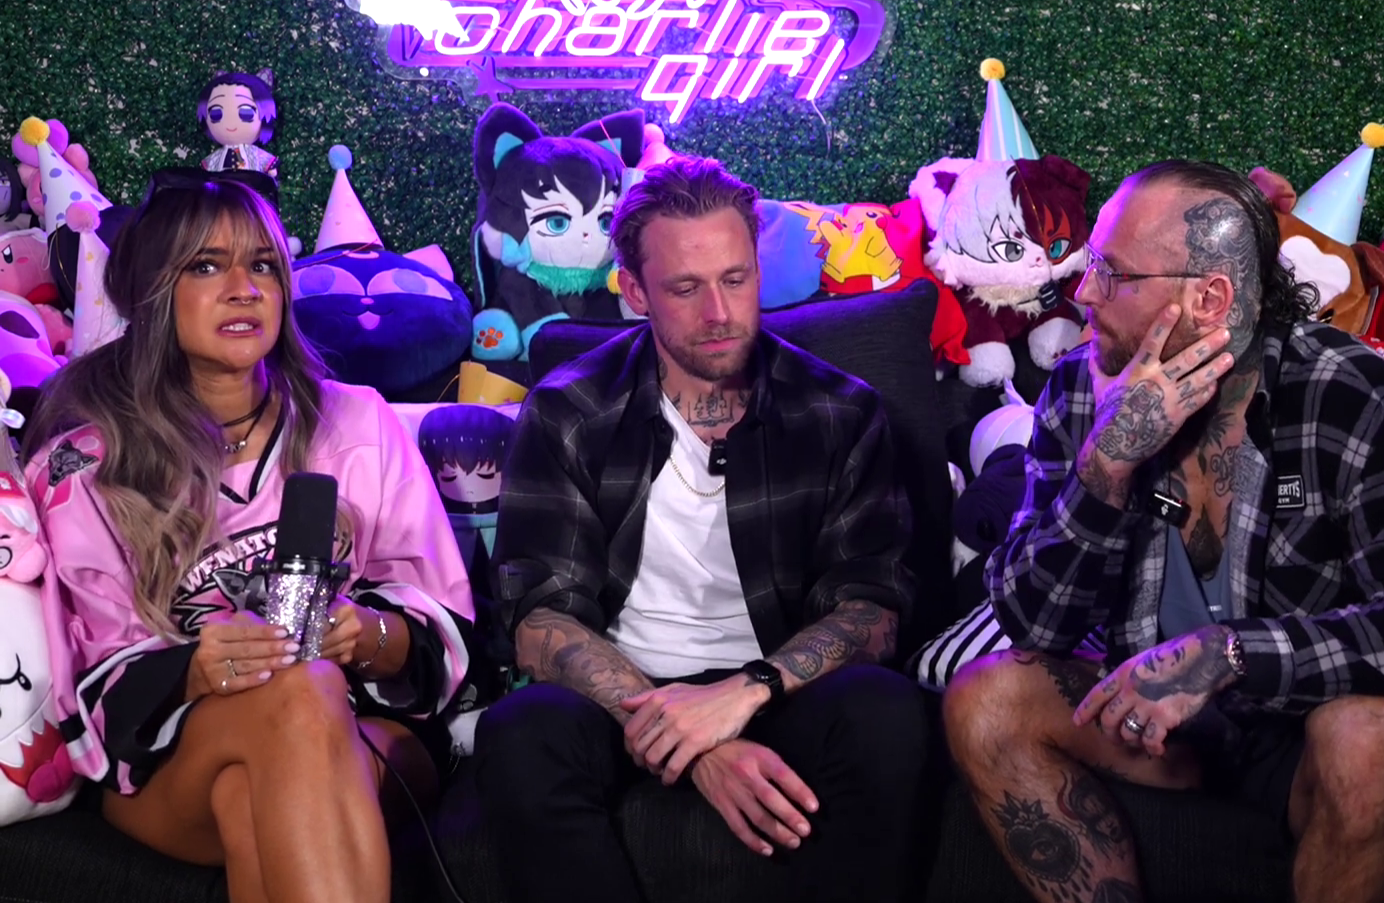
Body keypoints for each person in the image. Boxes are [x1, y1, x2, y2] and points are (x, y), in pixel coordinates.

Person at [943, 160, 1384, 903]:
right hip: (1152, 723)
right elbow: (1033, 623)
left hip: (1304, 726)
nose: (1084, 292)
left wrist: (1229, 653)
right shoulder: (1081, 386)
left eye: (1112, 273)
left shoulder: (1352, 393)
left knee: (1373, 737)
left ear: (1209, 298)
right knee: (986, 699)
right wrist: (1106, 467)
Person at [476, 156, 926, 903]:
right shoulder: (569, 409)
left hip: (775, 688)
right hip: (619, 696)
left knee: (885, 712)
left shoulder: (839, 411)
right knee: (522, 731)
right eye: (686, 288)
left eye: (736, 279)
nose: (719, 312)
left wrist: (747, 693)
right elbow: (540, 621)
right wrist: (693, 743)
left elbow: (873, 611)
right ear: (634, 291)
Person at [27, 168, 474, 903]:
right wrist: (197, 670)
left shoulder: (357, 422)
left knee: (270, 764)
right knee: (292, 712)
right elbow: (93, 680)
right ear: (152, 293)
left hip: (360, 728)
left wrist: (366, 634)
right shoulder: (84, 466)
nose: (244, 288)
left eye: (263, 265)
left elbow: (443, 625)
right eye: (207, 266)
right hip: (174, 761)